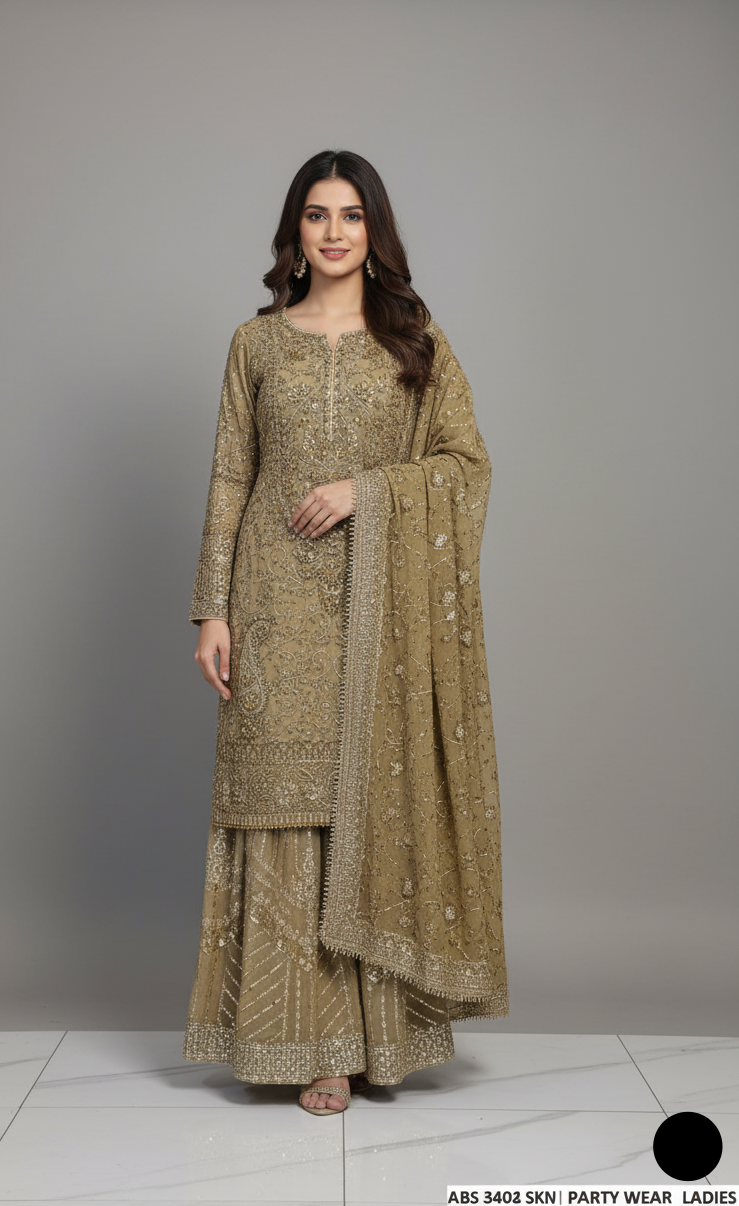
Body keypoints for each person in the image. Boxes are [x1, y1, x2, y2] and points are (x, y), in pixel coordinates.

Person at [183, 149, 509, 1116]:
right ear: (296, 231)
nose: (334, 232)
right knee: (283, 806)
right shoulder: (255, 344)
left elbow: (466, 464)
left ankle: (378, 1041)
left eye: (352, 215)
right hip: (273, 600)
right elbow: (230, 476)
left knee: (366, 801)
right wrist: (212, 608)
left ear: (376, 232)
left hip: (380, 618)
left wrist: (369, 491)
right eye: (318, 214)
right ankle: (310, 1046)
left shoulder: (414, 341)